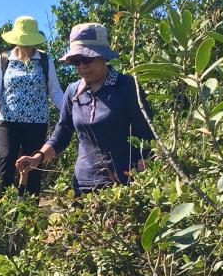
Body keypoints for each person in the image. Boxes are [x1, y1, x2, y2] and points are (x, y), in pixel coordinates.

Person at [16, 21, 153, 195]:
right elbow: (63, 132)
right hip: (82, 185)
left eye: (87, 59)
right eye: (76, 61)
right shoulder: (73, 92)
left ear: (103, 57)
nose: (81, 66)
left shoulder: (126, 86)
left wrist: (143, 179)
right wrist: (38, 158)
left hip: (123, 186)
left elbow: (146, 135)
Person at [0, 15, 64, 195]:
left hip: (36, 122)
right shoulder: (5, 58)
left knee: (33, 166)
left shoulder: (45, 60)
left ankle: (31, 213)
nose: (26, 45)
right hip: (7, 120)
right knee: (6, 160)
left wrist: (68, 111)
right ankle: (2, 210)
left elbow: (55, 91)